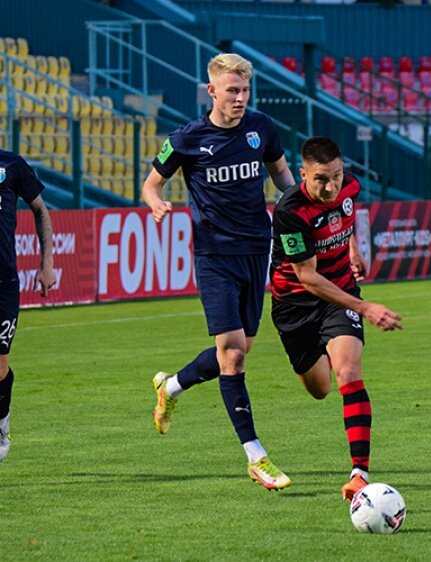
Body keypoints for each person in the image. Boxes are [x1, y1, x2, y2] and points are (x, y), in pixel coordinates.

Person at [142, 53, 296, 490]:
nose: (240, 98)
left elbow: (282, 177)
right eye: (232, 90)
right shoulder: (186, 139)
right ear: (211, 91)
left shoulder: (261, 128)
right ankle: (256, 457)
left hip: (257, 250)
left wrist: (304, 210)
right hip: (214, 256)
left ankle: (171, 387)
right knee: (232, 355)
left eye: (245, 90)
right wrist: (156, 203)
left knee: (239, 349)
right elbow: (151, 183)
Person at [270, 136, 403, 501]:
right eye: (321, 179)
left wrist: (353, 248)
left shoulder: (349, 186)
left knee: (349, 372)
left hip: (340, 293)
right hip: (295, 305)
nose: (331, 187)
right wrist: (366, 308)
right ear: (302, 174)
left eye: (336, 176)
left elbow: (344, 215)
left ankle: (359, 474)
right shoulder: (290, 212)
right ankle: (326, 346)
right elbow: (308, 278)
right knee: (320, 389)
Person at [0, 149, 56, 461]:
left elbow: (41, 210)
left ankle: (1, 421)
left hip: (3, 282)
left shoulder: (11, 164)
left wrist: (47, 263)